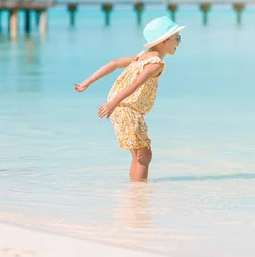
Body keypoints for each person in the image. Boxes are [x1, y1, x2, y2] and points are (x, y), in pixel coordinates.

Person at [74, 16, 185, 181]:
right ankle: (139, 196)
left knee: (139, 154)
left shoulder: (141, 57)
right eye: (177, 38)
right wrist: (112, 103)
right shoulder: (155, 64)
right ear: (163, 41)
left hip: (121, 107)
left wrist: (88, 81)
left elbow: (113, 63)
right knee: (143, 155)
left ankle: (134, 192)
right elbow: (135, 84)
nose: (179, 42)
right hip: (127, 108)